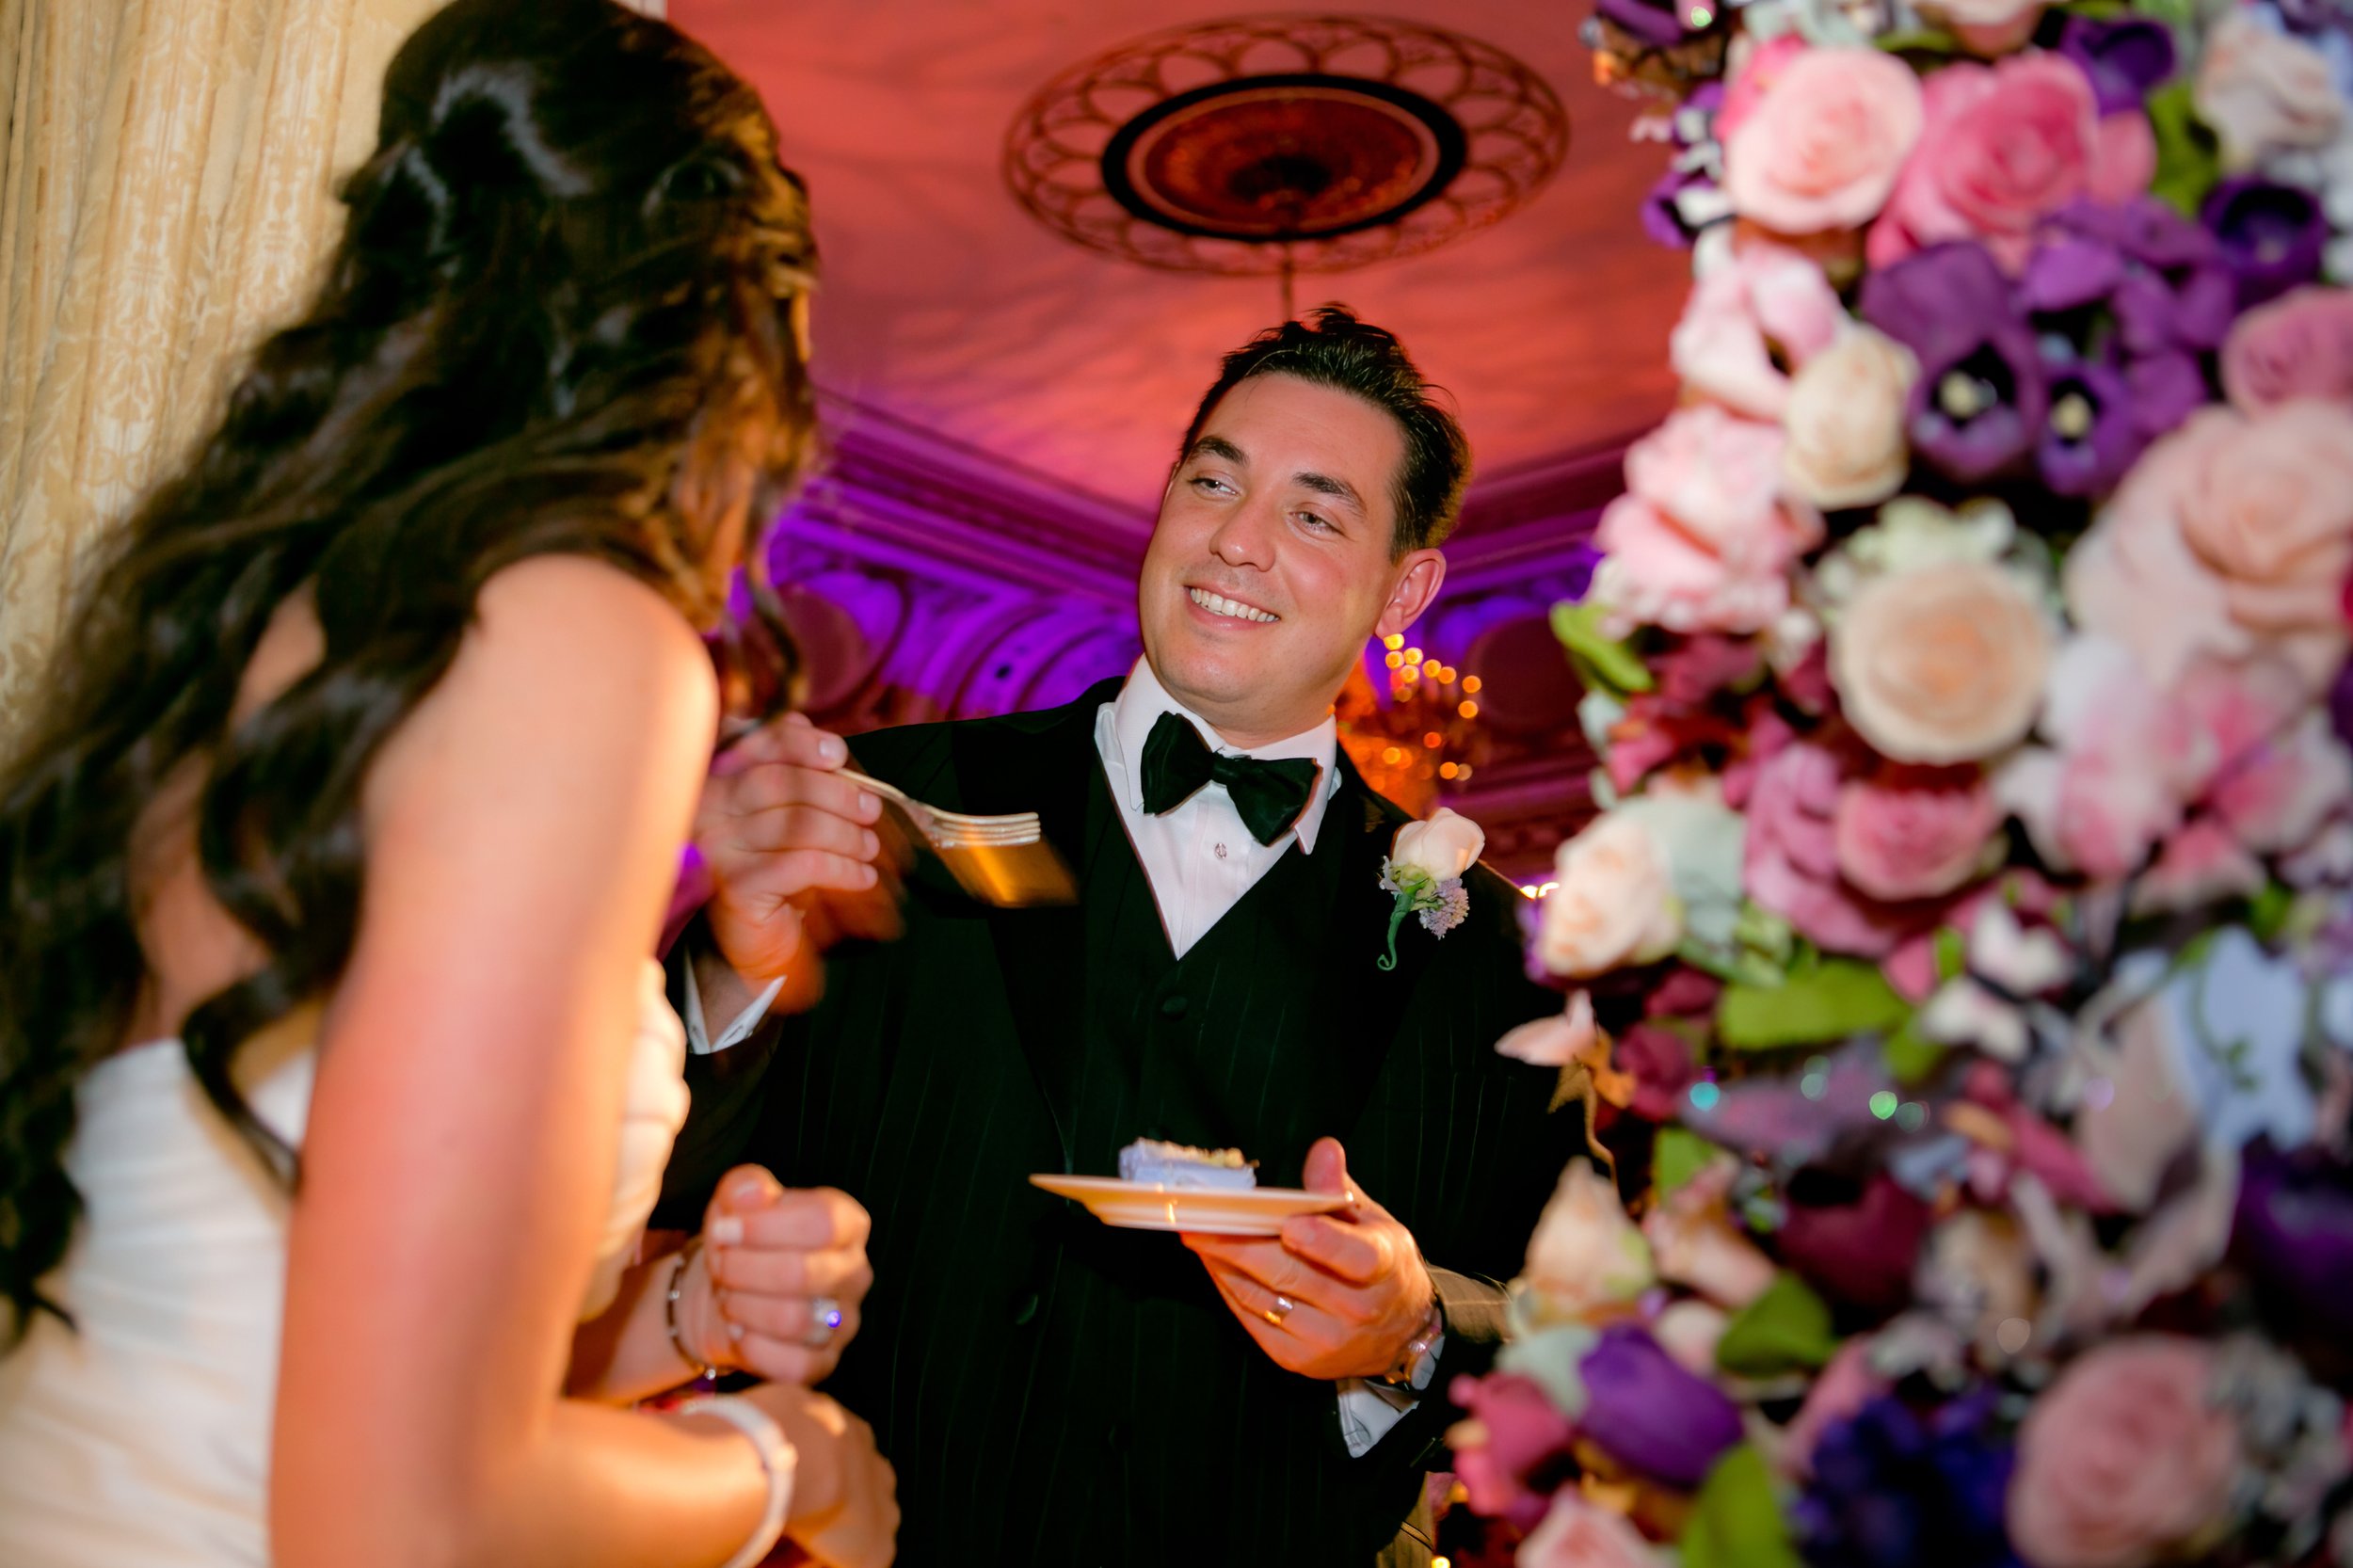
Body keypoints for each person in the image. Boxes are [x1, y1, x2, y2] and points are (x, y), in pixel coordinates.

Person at [0, 4, 894, 1565]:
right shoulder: (574, 639)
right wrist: (790, 1464)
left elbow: (300, 1340)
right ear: (717, 340)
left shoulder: (238, 615)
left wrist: (684, 1307)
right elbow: (407, 1514)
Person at [659, 309, 1586, 1566]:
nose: (1236, 540)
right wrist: (731, 969)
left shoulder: (1489, 959)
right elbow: (637, 1195)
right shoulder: (883, 809)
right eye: (1213, 478)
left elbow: (1580, 1343)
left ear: (1403, 589)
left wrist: (1410, 1333)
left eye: (1315, 515)